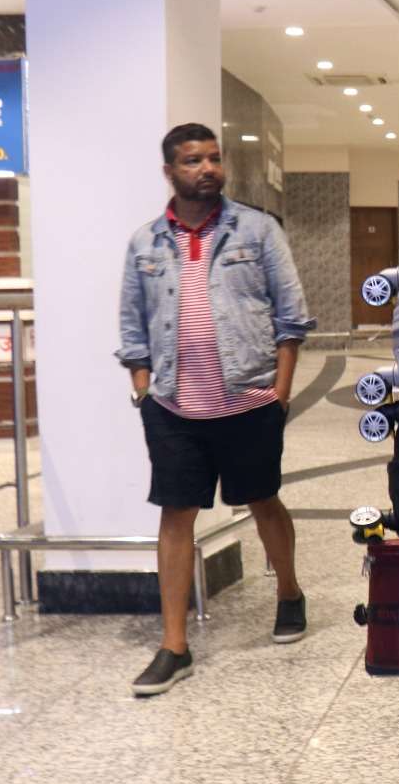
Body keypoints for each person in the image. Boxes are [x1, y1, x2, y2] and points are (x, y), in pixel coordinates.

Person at [117, 123, 315, 697]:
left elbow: (291, 316)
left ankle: (289, 593)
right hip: (174, 406)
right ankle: (174, 646)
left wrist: (279, 394)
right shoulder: (146, 243)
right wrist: (142, 389)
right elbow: (132, 327)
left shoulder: (257, 229)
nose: (206, 168)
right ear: (169, 172)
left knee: (262, 499)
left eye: (213, 158)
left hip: (249, 399)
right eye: (192, 160)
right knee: (175, 514)